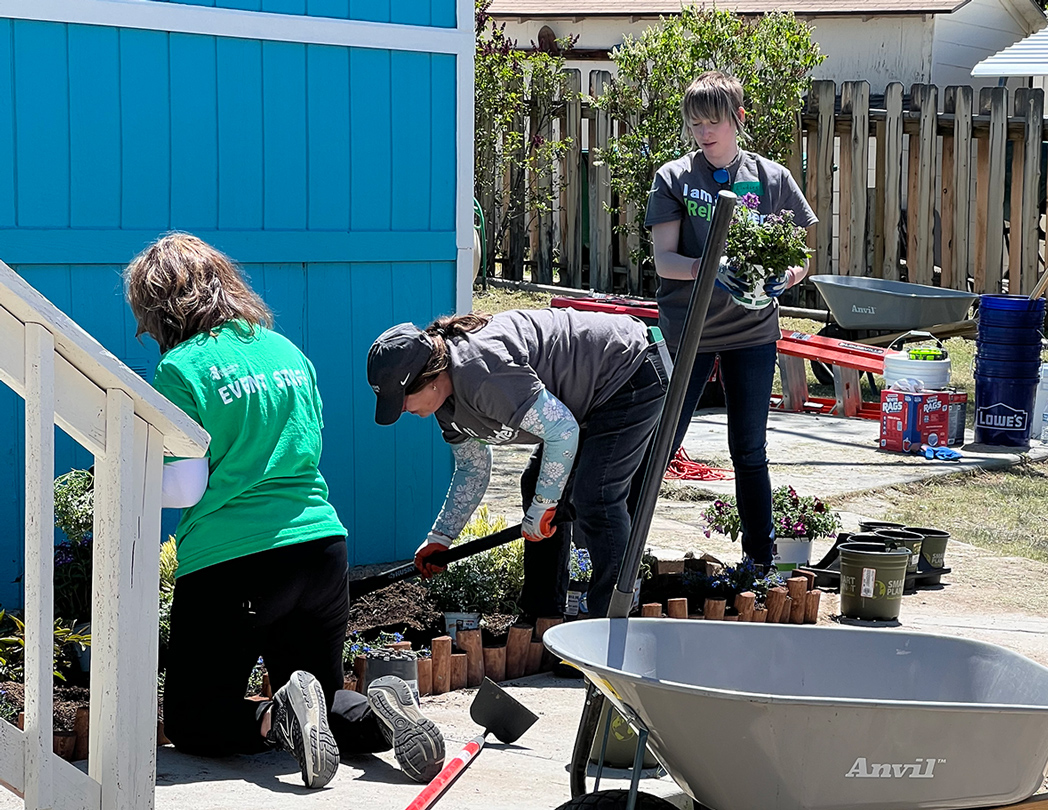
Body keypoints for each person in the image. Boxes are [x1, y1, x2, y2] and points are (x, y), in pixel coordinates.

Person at [124, 233, 444, 789]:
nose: (144, 333)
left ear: (162, 308)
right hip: (321, 551)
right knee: (319, 690)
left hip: (232, 564)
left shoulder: (181, 368)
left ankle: (278, 716)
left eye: (144, 319)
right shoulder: (286, 352)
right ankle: (381, 712)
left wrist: (125, 470)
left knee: (195, 719)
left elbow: (185, 485)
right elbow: (307, 444)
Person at [366, 307, 669, 620]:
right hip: (588, 397)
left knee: (596, 495)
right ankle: (543, 617)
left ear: (428, 379)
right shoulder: (445, 404)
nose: (401, 410)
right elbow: (473, 468)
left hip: (629, 369)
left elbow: (562, 431)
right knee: (536, 485)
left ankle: (612, 623)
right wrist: (441, 537)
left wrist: (544, 506)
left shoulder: (480, 372)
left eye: (402, 399)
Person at [643, 71, 817, 568]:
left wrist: (789, 273)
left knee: (749, 449)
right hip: (690, 330)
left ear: (738, 118)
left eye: (712, 120)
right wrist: (709, 267)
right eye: (694, 123)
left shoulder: (771, 178)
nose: (703, 132)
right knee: (662, 444)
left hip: (752, 332)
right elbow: (664, 261)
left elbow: (802, 251)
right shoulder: (674, 178)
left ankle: (759, 563)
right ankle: (623, 552)